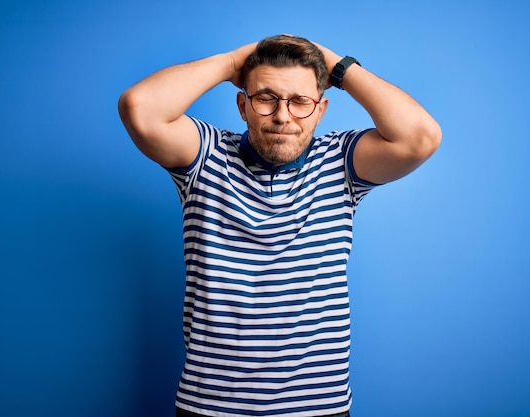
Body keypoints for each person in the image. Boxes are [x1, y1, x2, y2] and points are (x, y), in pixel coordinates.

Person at [118, 34, 441, 417]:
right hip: (211, 407)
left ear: (320, 110)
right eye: (266, 98)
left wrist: (336, 64)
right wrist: (231, 61)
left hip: (319, 406)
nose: (282, 116)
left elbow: (421, 137)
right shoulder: (205, 155)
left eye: (300, 101)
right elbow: (139, 107)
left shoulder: (340, 162)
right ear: (243, 104)